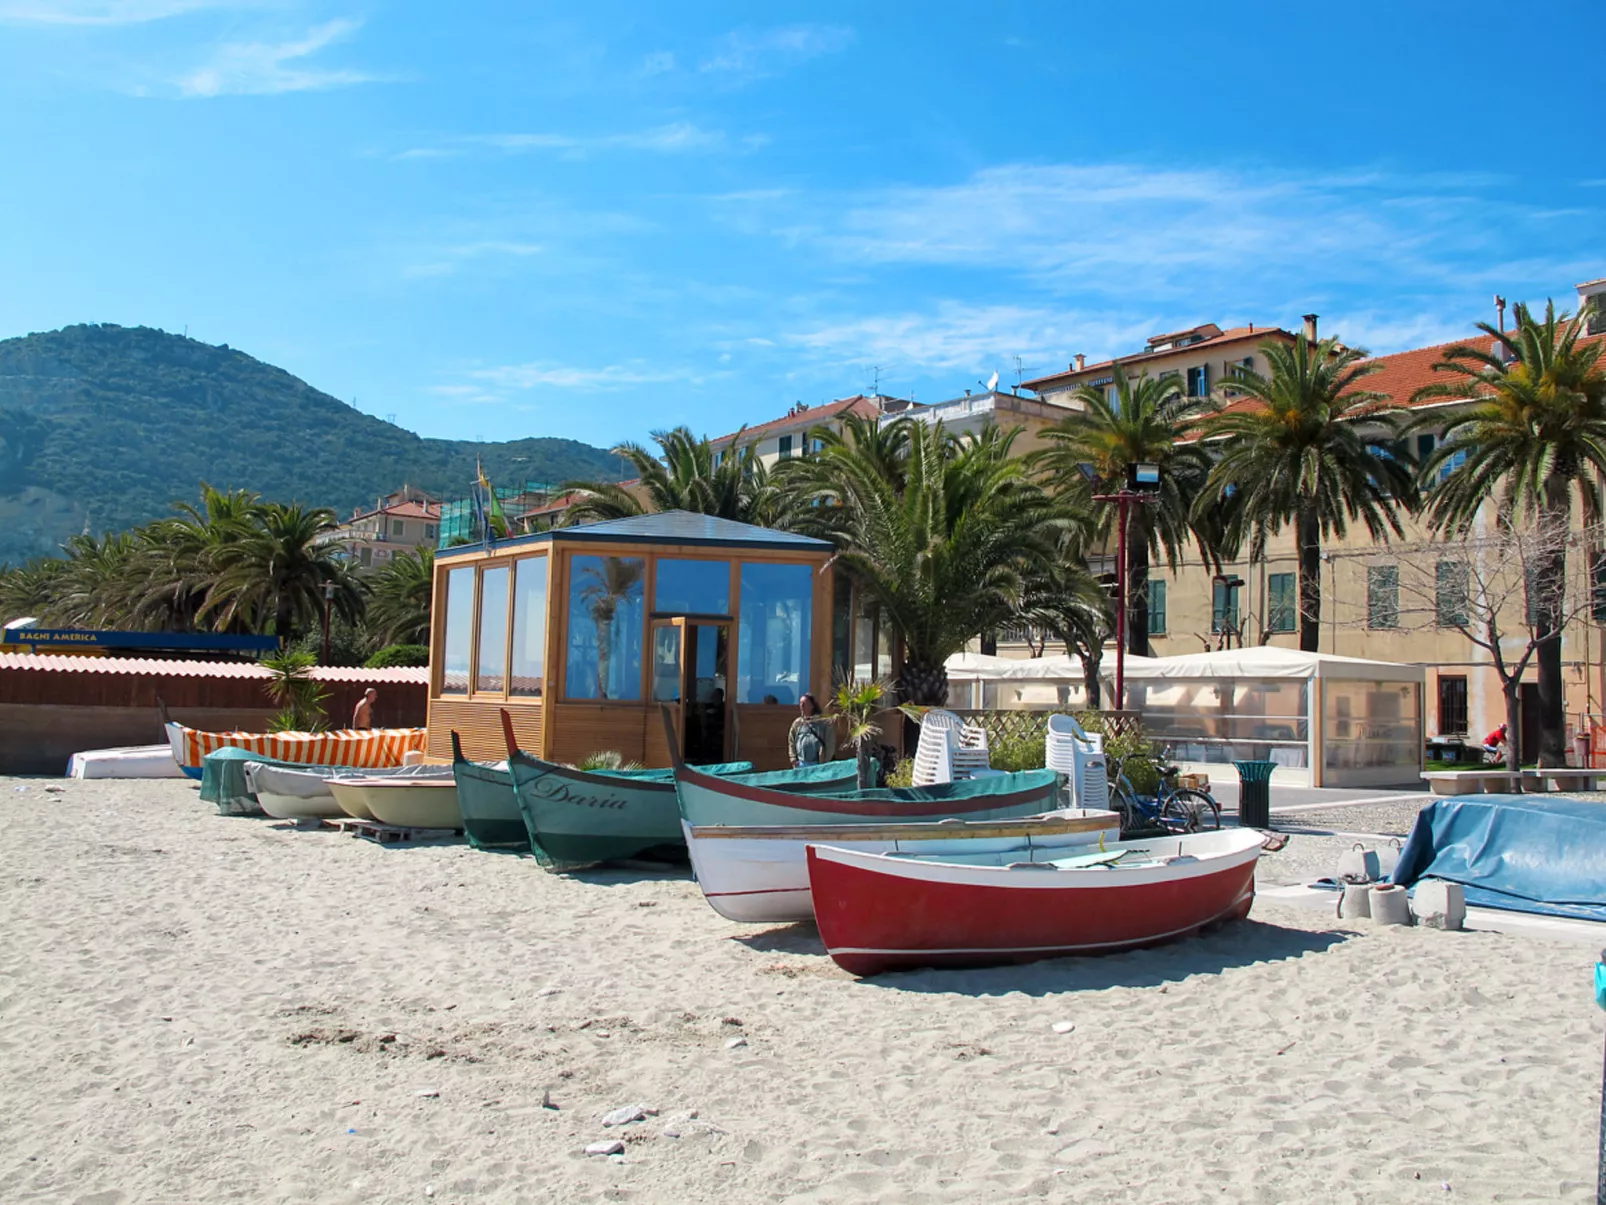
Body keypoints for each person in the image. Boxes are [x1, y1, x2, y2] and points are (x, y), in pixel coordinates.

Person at [788, 693, 836, 767]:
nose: (801, 706)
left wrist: (824, 762)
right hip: (801, 764)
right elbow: (791, 742)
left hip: (817, 764)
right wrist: (793, 759)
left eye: (804, 703)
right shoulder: (797, 723)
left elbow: (830, 744)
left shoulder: (824, 722)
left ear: (812, 706)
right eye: (800, 703)